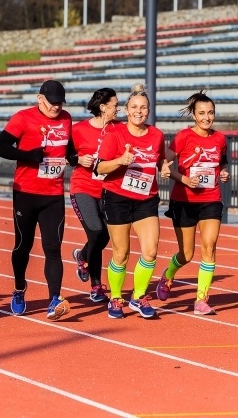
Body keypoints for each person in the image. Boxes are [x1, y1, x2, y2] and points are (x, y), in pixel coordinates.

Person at [0, 80, 75, 320]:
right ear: (40, 99)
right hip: (26, 193)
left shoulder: (67, 118)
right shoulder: (22, 118)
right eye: (52, 104)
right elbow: (0, 147)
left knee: (53, 248)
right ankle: (19, 289)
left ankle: (54, 300)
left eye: (60, 103)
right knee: (23, 246)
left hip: (53, 195)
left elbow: (68, 147)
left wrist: (73, 157)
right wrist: (27, 156)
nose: (56, 108)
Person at [95, 83, 165, 319]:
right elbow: (99, 167)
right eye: (134, 107)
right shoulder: (115, 134)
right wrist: (120, 161)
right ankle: (116, 298)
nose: (139, 111)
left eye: (143, 108)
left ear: (148, 110)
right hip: (118, 197)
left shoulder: (156, 135)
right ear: (126, 110)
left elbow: (160, 162)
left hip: (146, 199)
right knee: (120, 253)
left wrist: (165, 169)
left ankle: (138, 296)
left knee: (150, 251)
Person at [157, 90, 230, 315]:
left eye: (210, 113)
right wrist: (183, 179)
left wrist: (224, 172)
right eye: (202, 113)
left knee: (209, 247)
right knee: (186, 254)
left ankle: (201, 300)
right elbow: (164, 163)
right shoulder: (183, 137)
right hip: (184, 200)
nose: (207, 117)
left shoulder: (220, 139)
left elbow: (223, 163)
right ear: (194, 116)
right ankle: (168, 275)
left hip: (211, 199)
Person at [69, 88, 120, 303]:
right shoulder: (78, 129)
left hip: (109, 190)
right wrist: (78, 159)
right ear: (102, 107)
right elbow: (66, 154)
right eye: (115, 105)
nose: (118, 109)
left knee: (106, 235)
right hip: (83, 188)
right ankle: (96, 285)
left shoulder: (119, 129)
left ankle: (82, 256)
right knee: (97, 233)